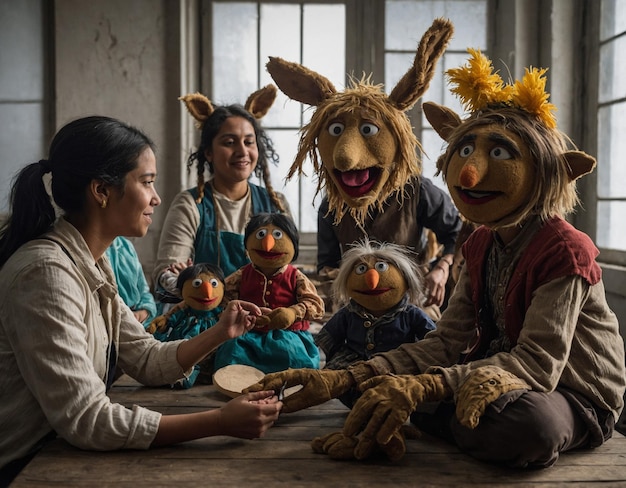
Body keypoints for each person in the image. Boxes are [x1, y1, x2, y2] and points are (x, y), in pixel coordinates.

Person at [245, 50, 626, 469]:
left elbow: (538, 362)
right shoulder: (481, 241)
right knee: (370, 385)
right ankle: (420, 411)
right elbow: (447, 341)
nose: (469, 173)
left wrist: (418, 389)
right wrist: (345, 377)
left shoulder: (564, 249)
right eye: (464, 150)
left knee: (530, 428)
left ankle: (425, 415)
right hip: (491, 376)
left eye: (500, 154)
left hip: (569, 392)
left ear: (542, 170)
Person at [0, 116, 282, 484]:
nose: (156, 197)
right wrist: (219, 422)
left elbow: (146, 358)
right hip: (24, 466)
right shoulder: (47, 274)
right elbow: (87, 419)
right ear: (102, 190)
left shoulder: (92, 263)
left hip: (61, 451)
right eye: (146, 182)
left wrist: (220, 333)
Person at [152, 87, 289, 310]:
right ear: (208, 152)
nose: (242, 151)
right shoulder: (190, 205)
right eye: (229, 142)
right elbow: (165, 274)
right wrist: (184, 283)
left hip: (262, 316)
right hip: (203, 319)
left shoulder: (276, 204)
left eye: (248, 141)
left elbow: (286, 272)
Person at [316, 239, 435, 407]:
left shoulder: (411, 314)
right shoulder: (348, 313)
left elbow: (432, 341)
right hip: (354, 368)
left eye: (381, 268)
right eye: (361, 269)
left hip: (396, 368)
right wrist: (337, 357)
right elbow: (330, 338)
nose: (372, 279)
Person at [219, 213, 325, 373]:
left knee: (296, 362)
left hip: (288, 337)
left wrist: (293, 312)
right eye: (260, 235)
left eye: (277, 235)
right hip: (247, 334)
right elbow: (222, 296)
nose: (268, 244)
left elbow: (316, 306)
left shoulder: (296, 277)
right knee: (230, 357)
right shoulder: (241, 275)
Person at [105, 236, 157, 327]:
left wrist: (143, 313)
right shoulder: (94, 249)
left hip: (137, 323)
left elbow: (144, 292)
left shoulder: (126, 246)